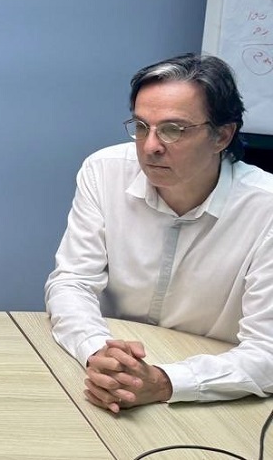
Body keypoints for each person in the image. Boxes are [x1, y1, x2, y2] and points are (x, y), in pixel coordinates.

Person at [46, 53, 273, 412]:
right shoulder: (104, 171)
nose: (150, 146)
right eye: (141, 127)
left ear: (222, 135)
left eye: (173, 130)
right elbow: (72, 282)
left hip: (211, 394)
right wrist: (96, 350)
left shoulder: (266, 208)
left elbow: (267, 351)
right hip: (108, 375)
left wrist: (165, 381)